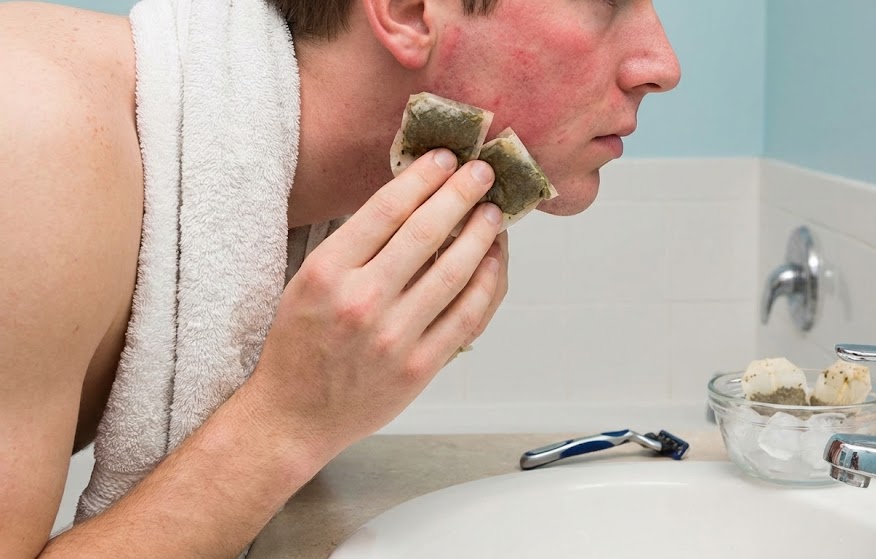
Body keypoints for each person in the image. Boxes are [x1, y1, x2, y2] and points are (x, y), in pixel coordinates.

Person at [0, 0, 680, 556]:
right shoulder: (34, 136)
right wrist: (286, 420)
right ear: (411, 11)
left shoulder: (276, 204)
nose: (663, 65)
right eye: (608, 3)